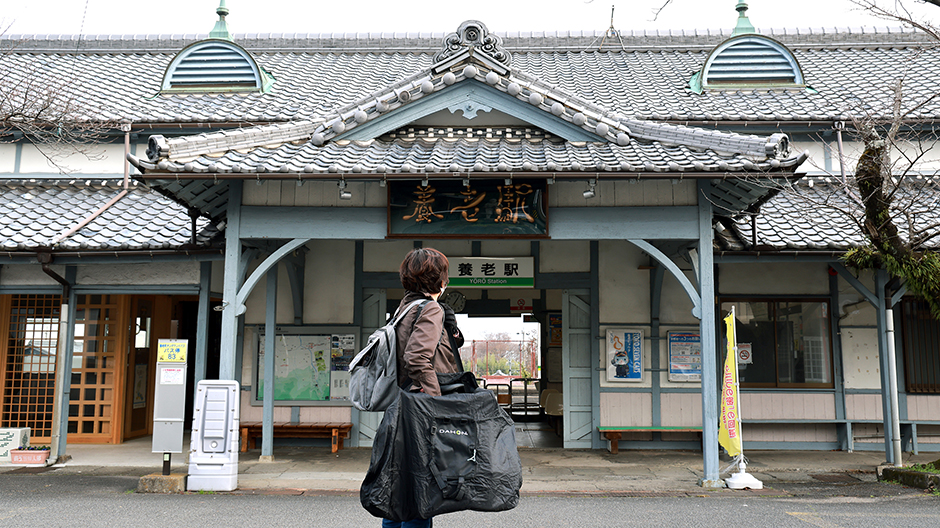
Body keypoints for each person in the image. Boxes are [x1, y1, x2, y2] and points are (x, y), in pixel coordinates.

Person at [383, 247, 463, 528]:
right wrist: (436, 402)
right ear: (440, 281)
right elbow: (417, 359)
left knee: (400, 489)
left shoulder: (404, 307)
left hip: (402, 403)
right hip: (421, 407)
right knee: (422, 489)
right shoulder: (429, 308)